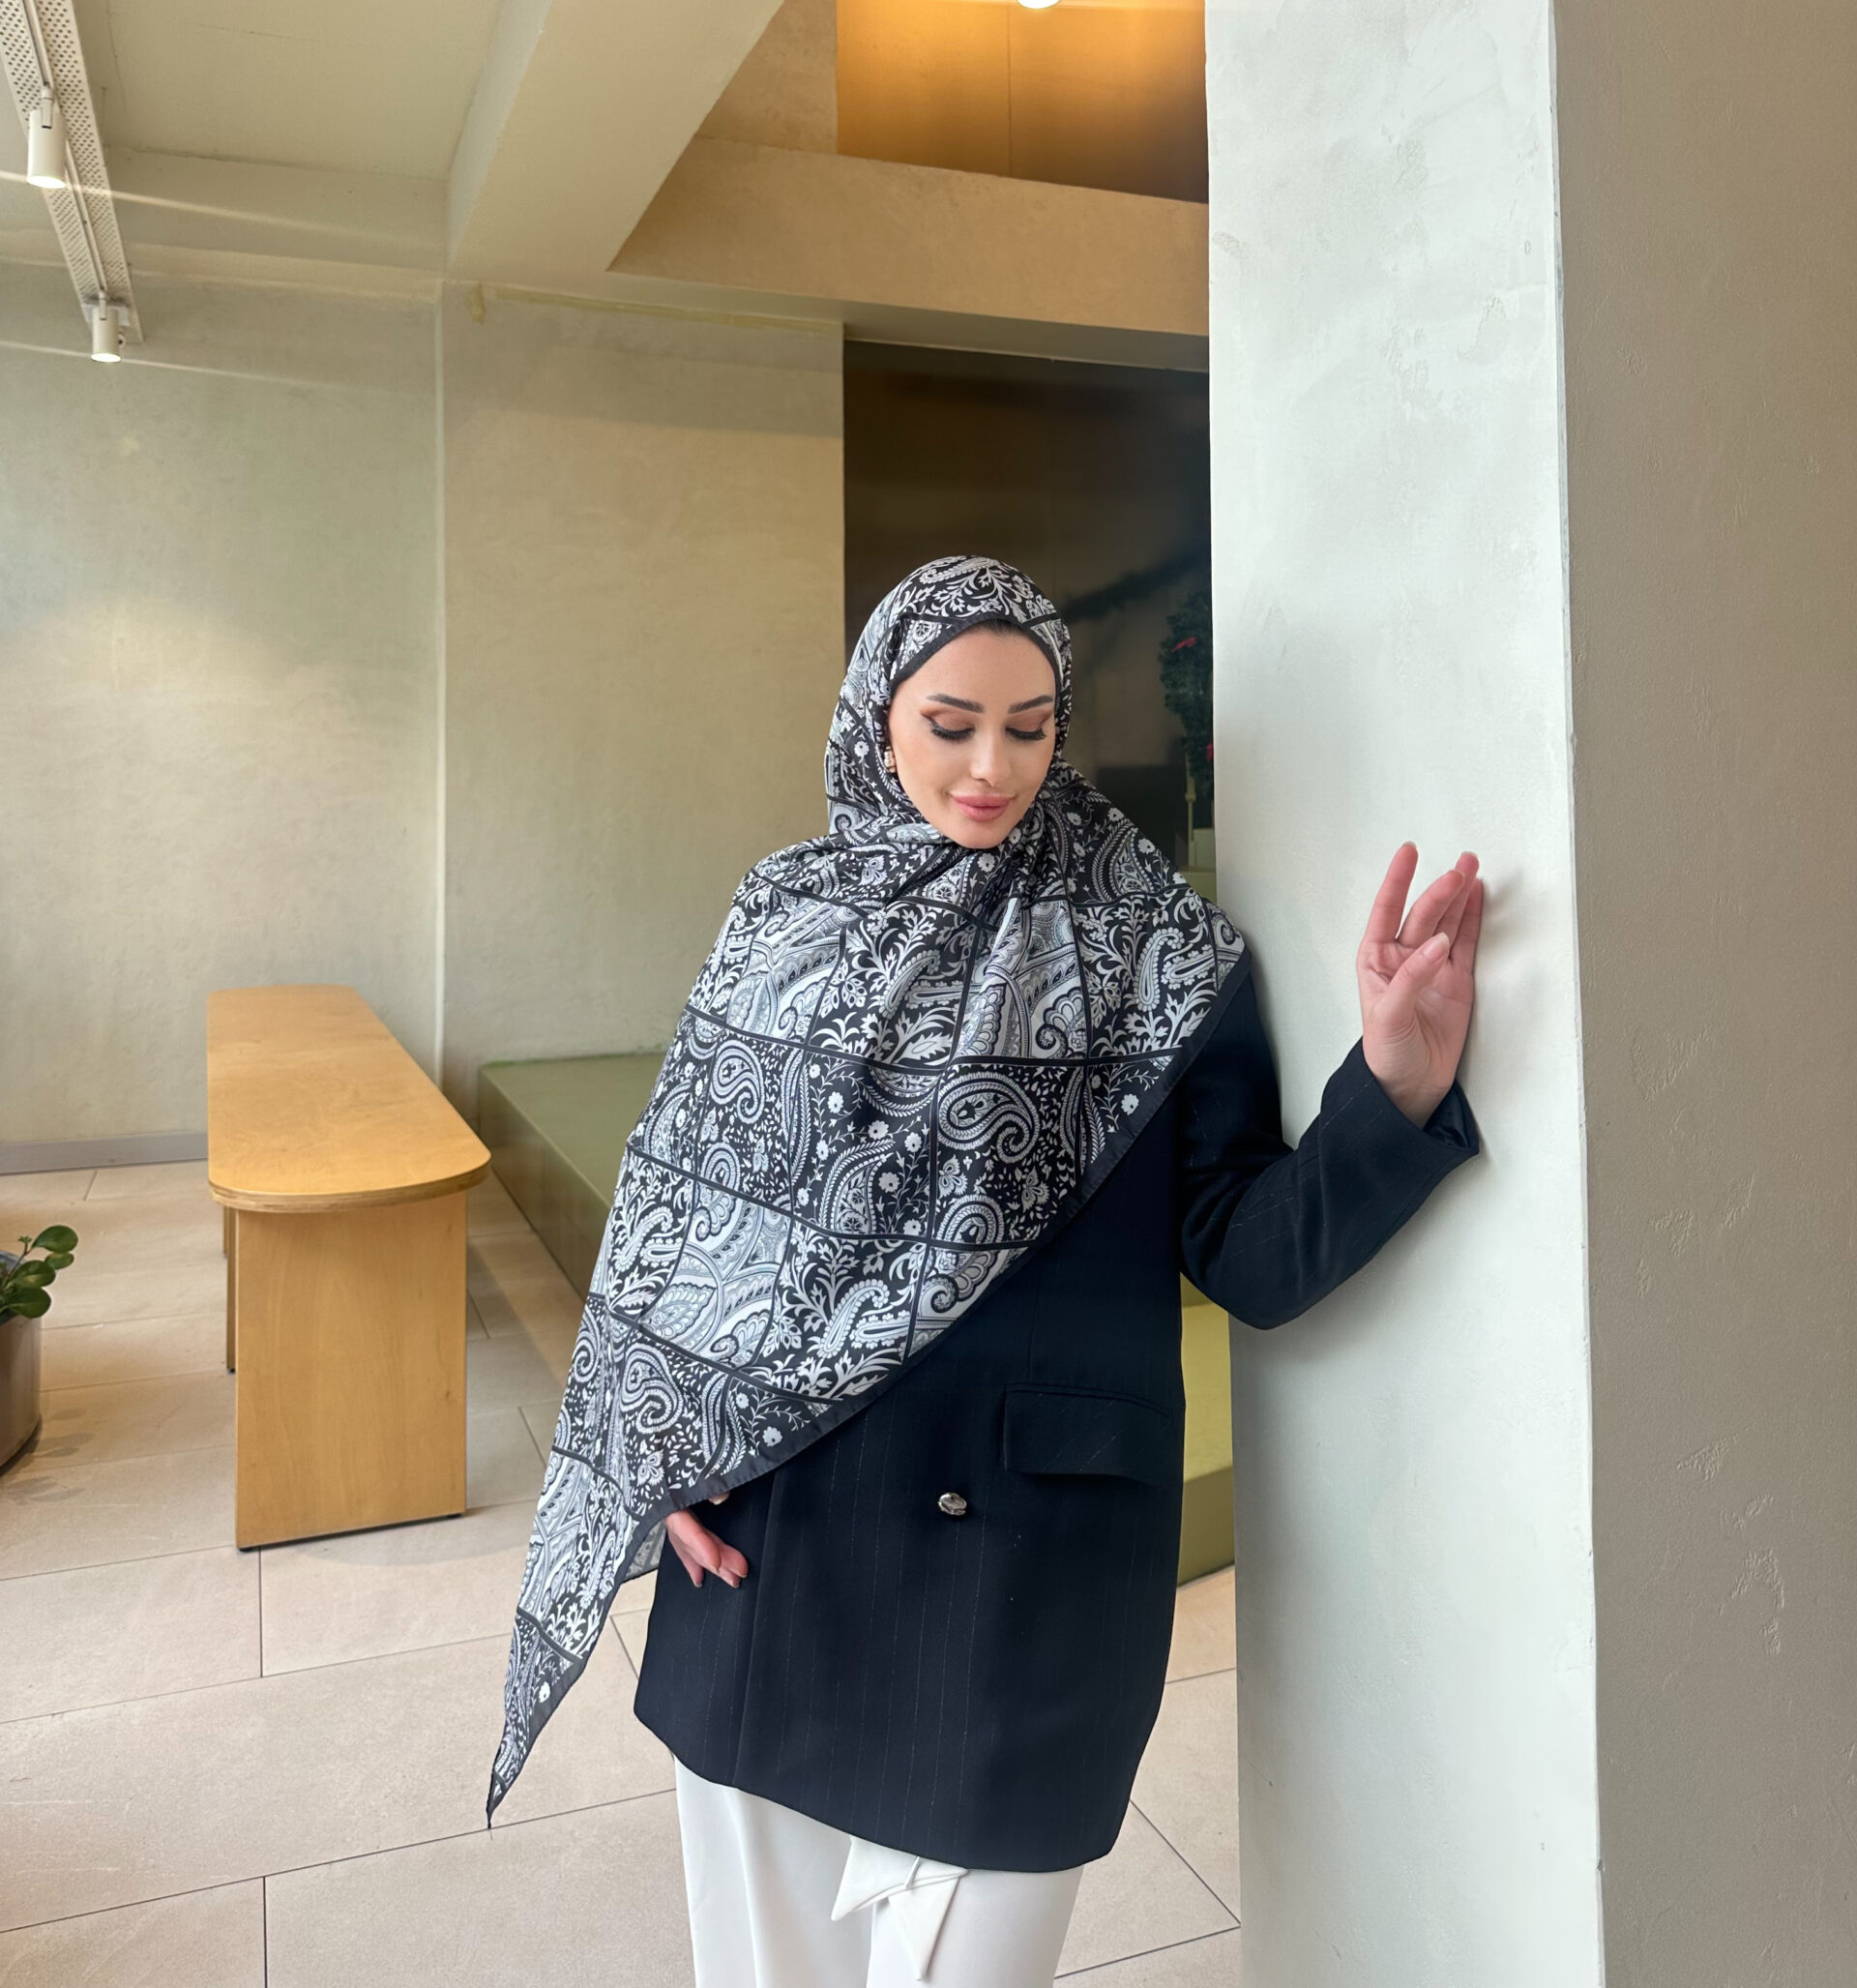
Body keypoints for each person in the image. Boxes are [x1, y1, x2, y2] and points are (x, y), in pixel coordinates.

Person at [489, 555, 1482, 1988]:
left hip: (1027, 1568)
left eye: (1029, 727)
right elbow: (684, 1215)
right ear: (876, 718)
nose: (991, 768)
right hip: (783, 1541)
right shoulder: (786, 920)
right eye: (950, 725)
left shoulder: (1157, 953)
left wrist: (1390, 1089)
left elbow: (1248, 1254)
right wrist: (658, 1450)